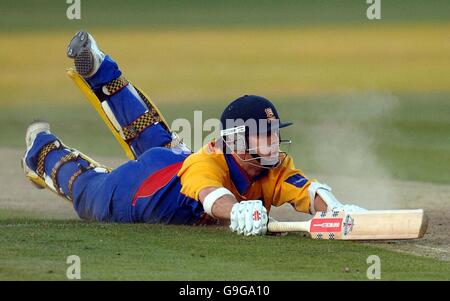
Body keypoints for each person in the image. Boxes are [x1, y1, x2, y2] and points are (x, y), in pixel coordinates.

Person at [22, 31, 365, 236]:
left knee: (147, 128)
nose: (274, 141)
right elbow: (210, 195)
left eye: (274, 132)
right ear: (239, 142)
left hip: (175, 158)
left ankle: (100, 68)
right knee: (86, 190)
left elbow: (306, 189)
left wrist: (332, 208)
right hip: (139, 192)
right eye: (265, 134)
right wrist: (237, 211)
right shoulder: (207, 166)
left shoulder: (271, 166)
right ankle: (40, 149)